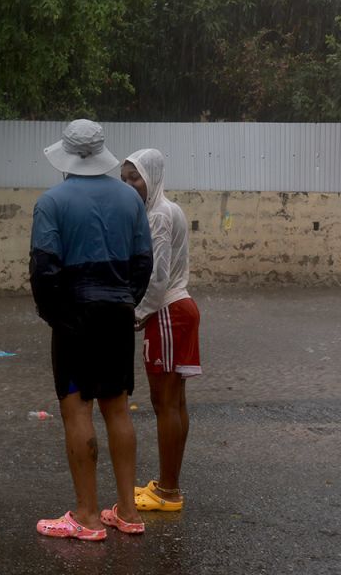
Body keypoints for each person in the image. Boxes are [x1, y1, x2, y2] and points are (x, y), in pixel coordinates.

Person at [29, 119, 151, 540]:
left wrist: (56, 317)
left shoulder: (52, 202)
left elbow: (44, 270)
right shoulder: (130, 200)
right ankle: (129, 512)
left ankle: (86, 516)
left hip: (73, 315)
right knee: (117, 407)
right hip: (117, 312)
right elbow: (143, 263)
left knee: (77, 407)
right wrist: (125, 301)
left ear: (66, 157)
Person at [121, 148, 201, 512]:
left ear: (151, 177)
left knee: (165, 403)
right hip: (177, 309)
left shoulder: (158, 216)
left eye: (135, 178)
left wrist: (138, 314)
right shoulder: (169, 210)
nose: (129, 185)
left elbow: (159, 275)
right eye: (124, 179)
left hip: (167, 310)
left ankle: (168, 491)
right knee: (174, 403)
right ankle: (169, 484)